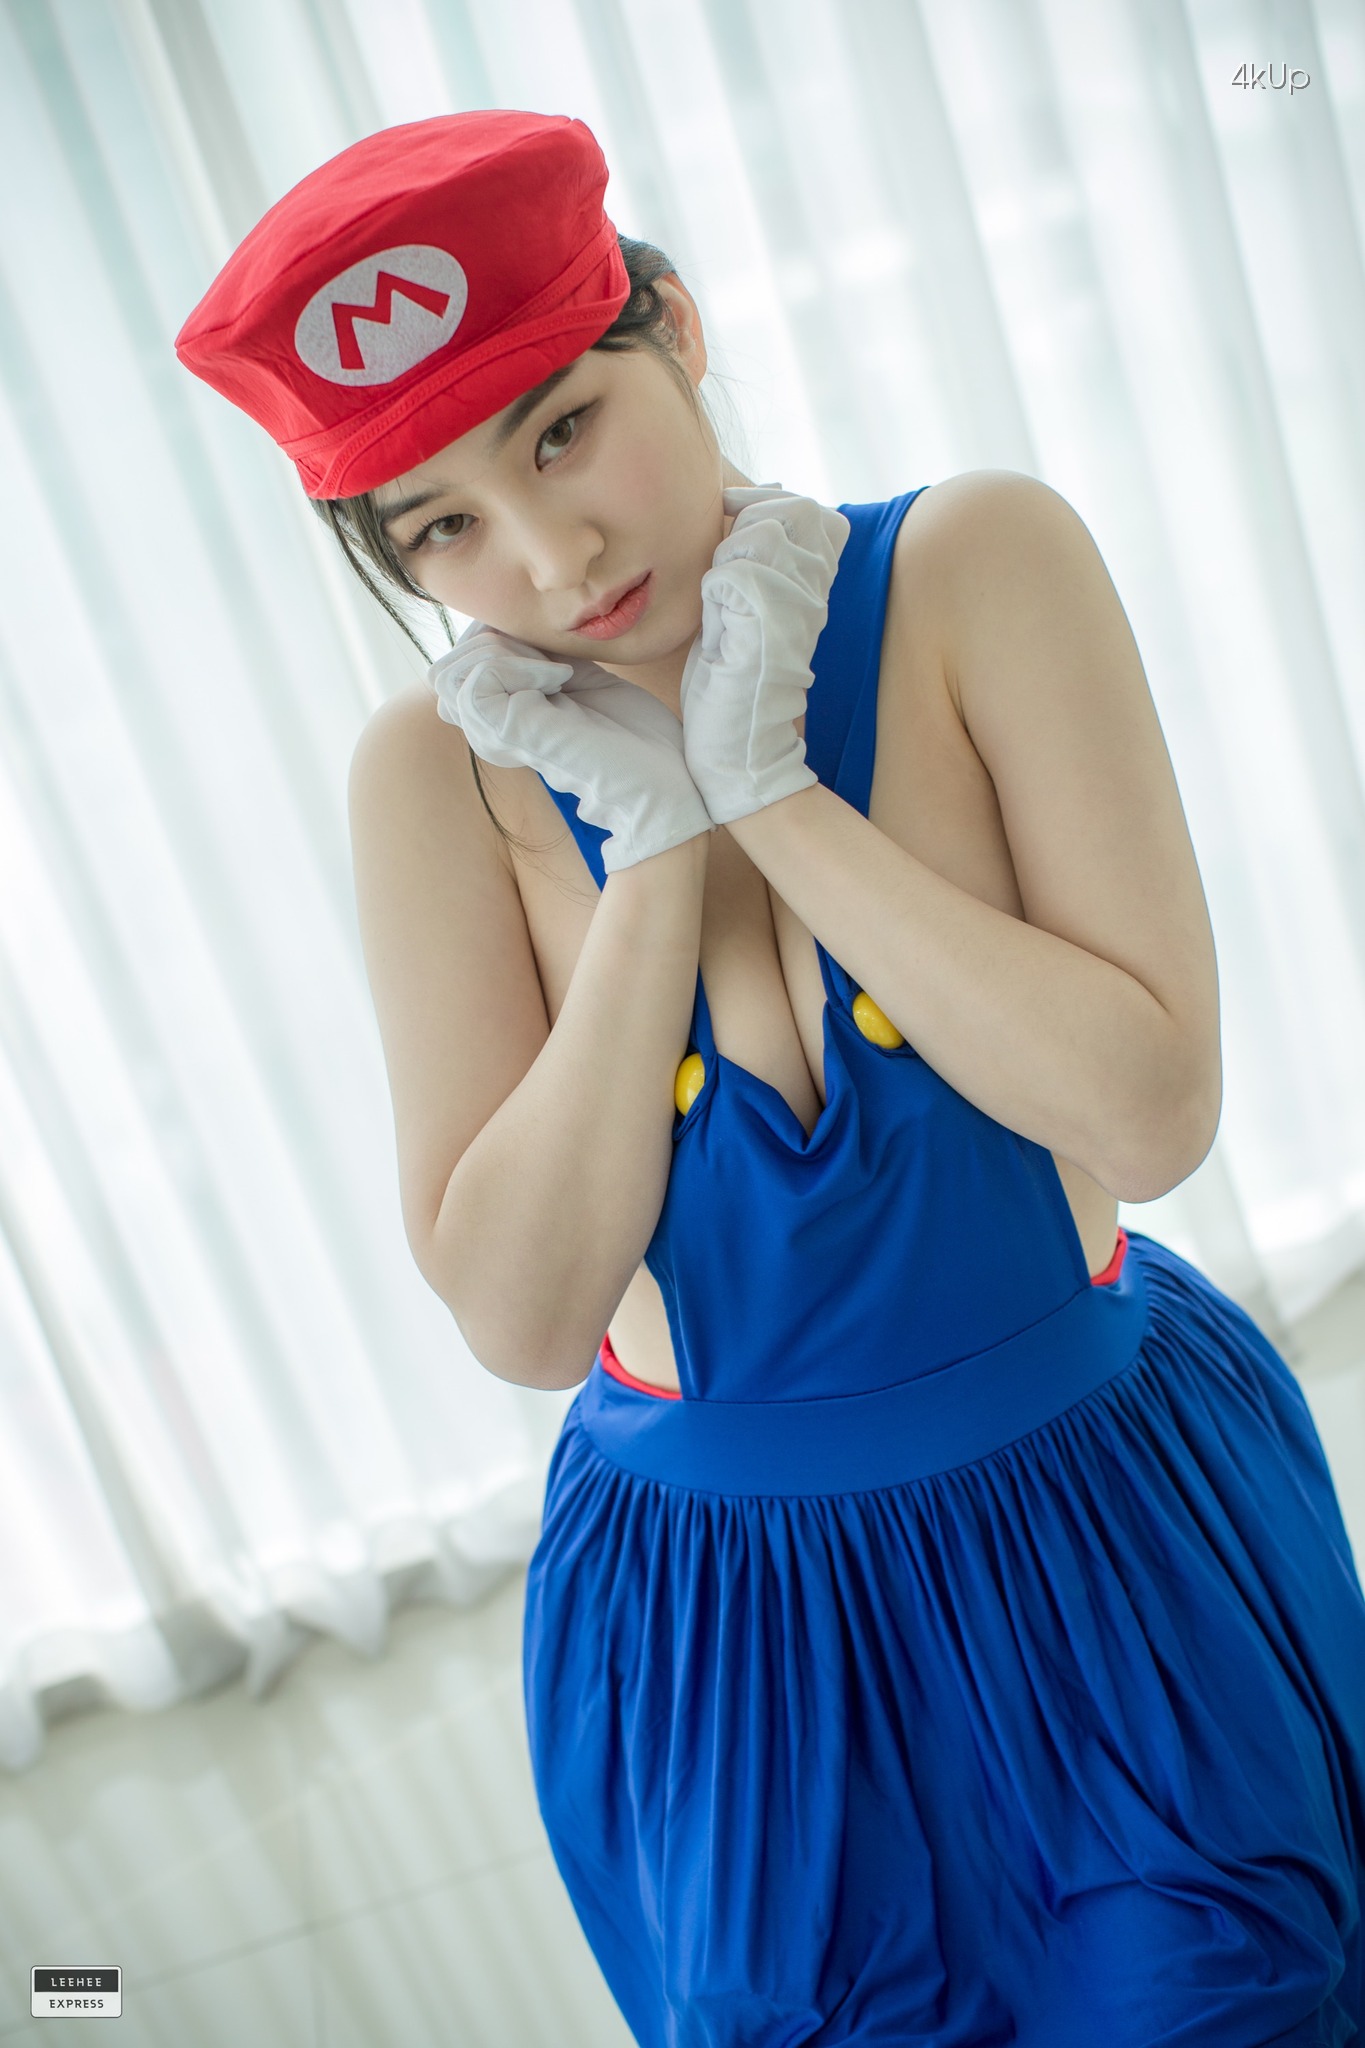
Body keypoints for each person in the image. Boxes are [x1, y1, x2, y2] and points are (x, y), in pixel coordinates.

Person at [176, 108, 1365, 2047]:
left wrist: (773, 794)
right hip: (728, 1629)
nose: (548, 558)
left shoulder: (975, 563)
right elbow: (521, 1316)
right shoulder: (437, 778)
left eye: (563, 430)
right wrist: (653, 856)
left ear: (677, 325)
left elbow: (1148, 1117)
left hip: (1105, 1534)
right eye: (440, 528)